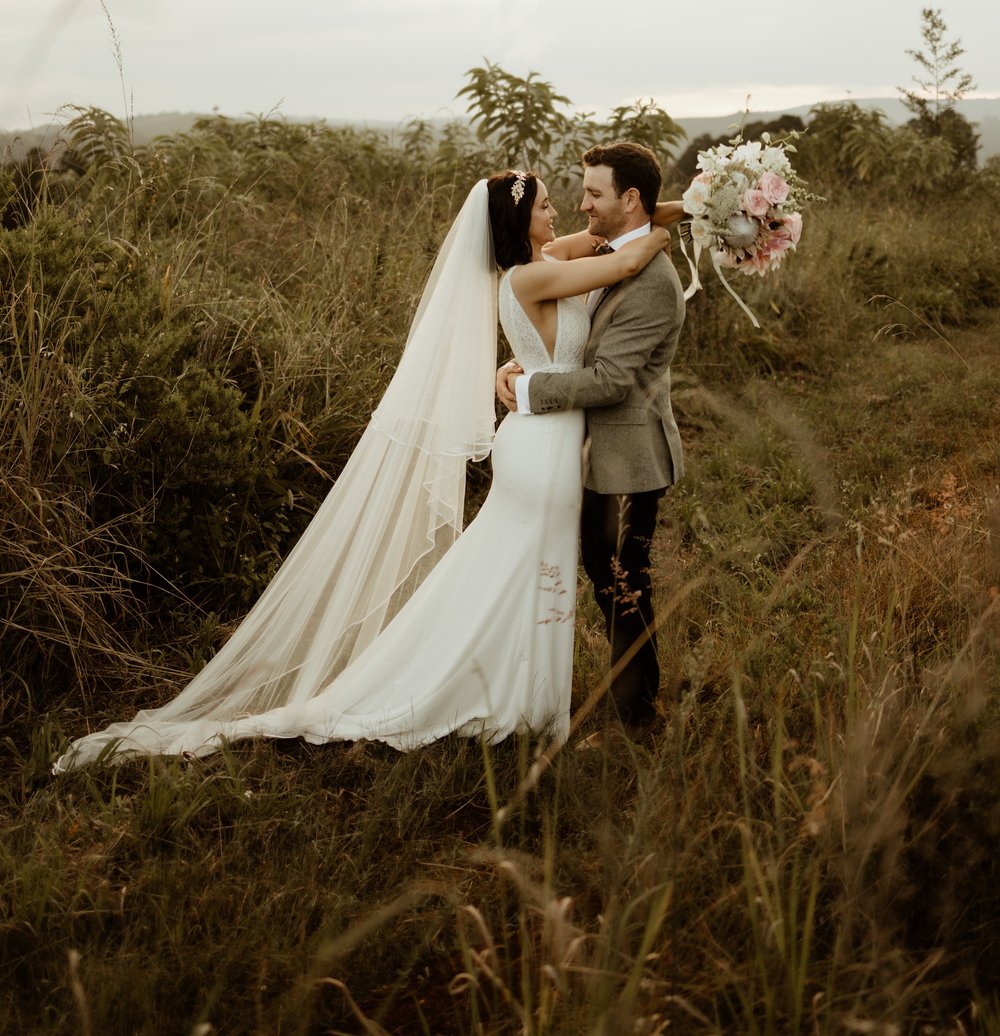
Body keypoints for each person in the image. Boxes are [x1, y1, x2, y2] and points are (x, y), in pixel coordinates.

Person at [54, 172, 670, 771]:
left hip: (542, 440)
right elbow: (619, 262)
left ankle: (520, 692)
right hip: (543, 448)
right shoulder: (534, 275)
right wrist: (680, 228)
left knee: (515, 571)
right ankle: (496, 694)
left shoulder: (535, 264)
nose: (557, 212)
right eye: (542, 206)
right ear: (518, 221)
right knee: (528, 570)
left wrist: (662, 214)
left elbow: (600, 244)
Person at [497, 143, 686, 731]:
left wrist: (528, 389)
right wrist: (517, 366)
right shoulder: (606, 251)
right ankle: (624, 698)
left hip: (629, 457)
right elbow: (564, 334)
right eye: (571, 196)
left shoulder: (650, 278)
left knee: (623, 587)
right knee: (605, 581)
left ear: (630, 200)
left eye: (593, 194)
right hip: (580, 453)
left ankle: (638, 715)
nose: (580, 206)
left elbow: (609, 380)